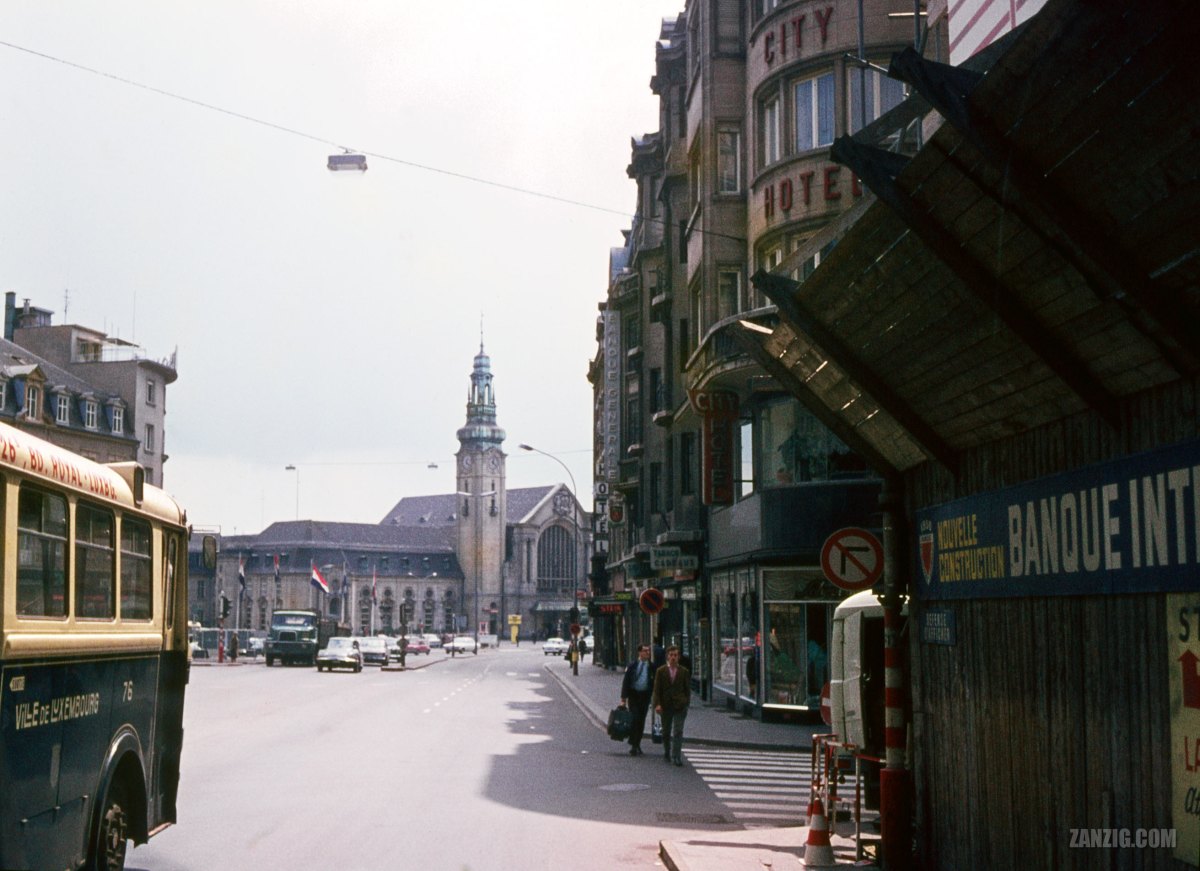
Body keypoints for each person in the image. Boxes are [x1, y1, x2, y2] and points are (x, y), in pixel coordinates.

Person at [653, 645, 691, 766]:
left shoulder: (684, 672)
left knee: (678, 731)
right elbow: (657, 689)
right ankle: (667, 751)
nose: (673, 658)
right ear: (667, 657)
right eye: (671, 655)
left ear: (678, 657)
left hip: (680, 705)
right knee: (666, 731)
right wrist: (657, 704)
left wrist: (686, 703)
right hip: (666, 705)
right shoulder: (661, 671)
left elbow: (687, 690)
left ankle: (676, 756)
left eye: (675, 655)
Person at [620, 644, 654, 757]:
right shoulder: (633, 665)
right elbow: (626, 682)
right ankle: (634, 745)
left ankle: (637, 743)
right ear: (639, 653)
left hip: (645, 697)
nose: (647, 653)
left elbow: (654, 683)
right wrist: (623, 699)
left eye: (648, 651)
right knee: (635, 719)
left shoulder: (651, 667)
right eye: (645, 651)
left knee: (641, 721)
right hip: (634, 696)